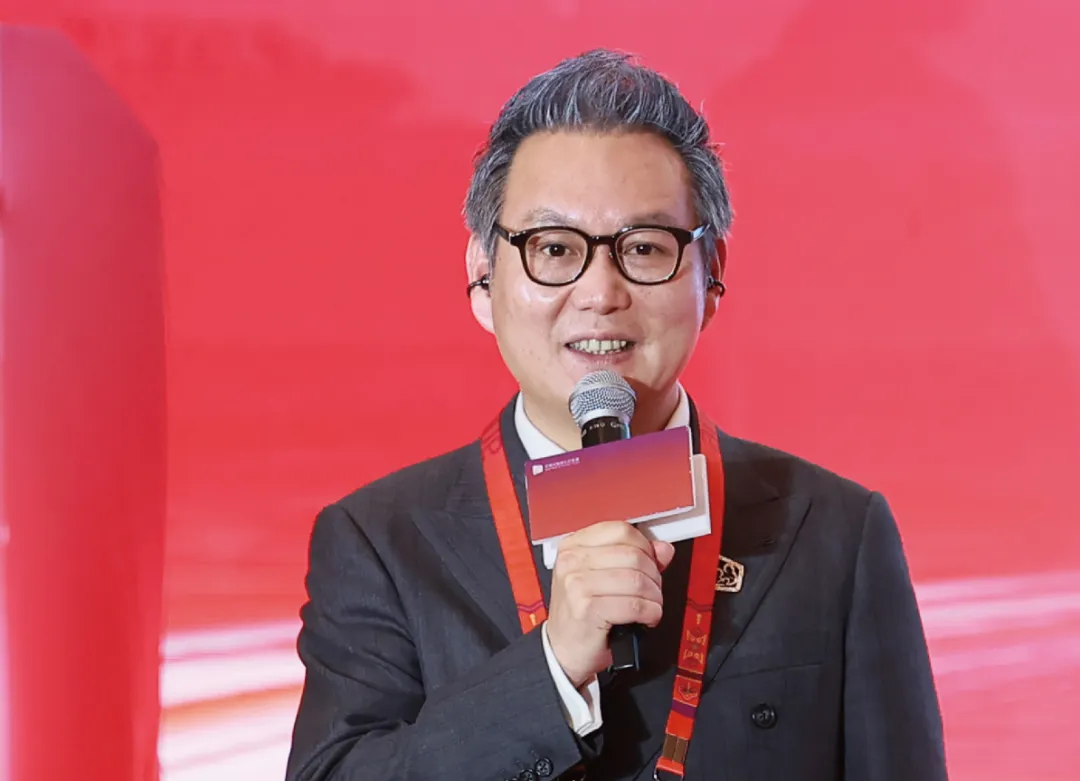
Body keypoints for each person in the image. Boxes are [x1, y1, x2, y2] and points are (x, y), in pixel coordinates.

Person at [285, 49, 947, 781]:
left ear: (712, 276)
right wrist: (551, 670)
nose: (601, 293)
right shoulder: (381, 542)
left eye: (644, 248)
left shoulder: (833, 531)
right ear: (482, 276)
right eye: (554, 248)